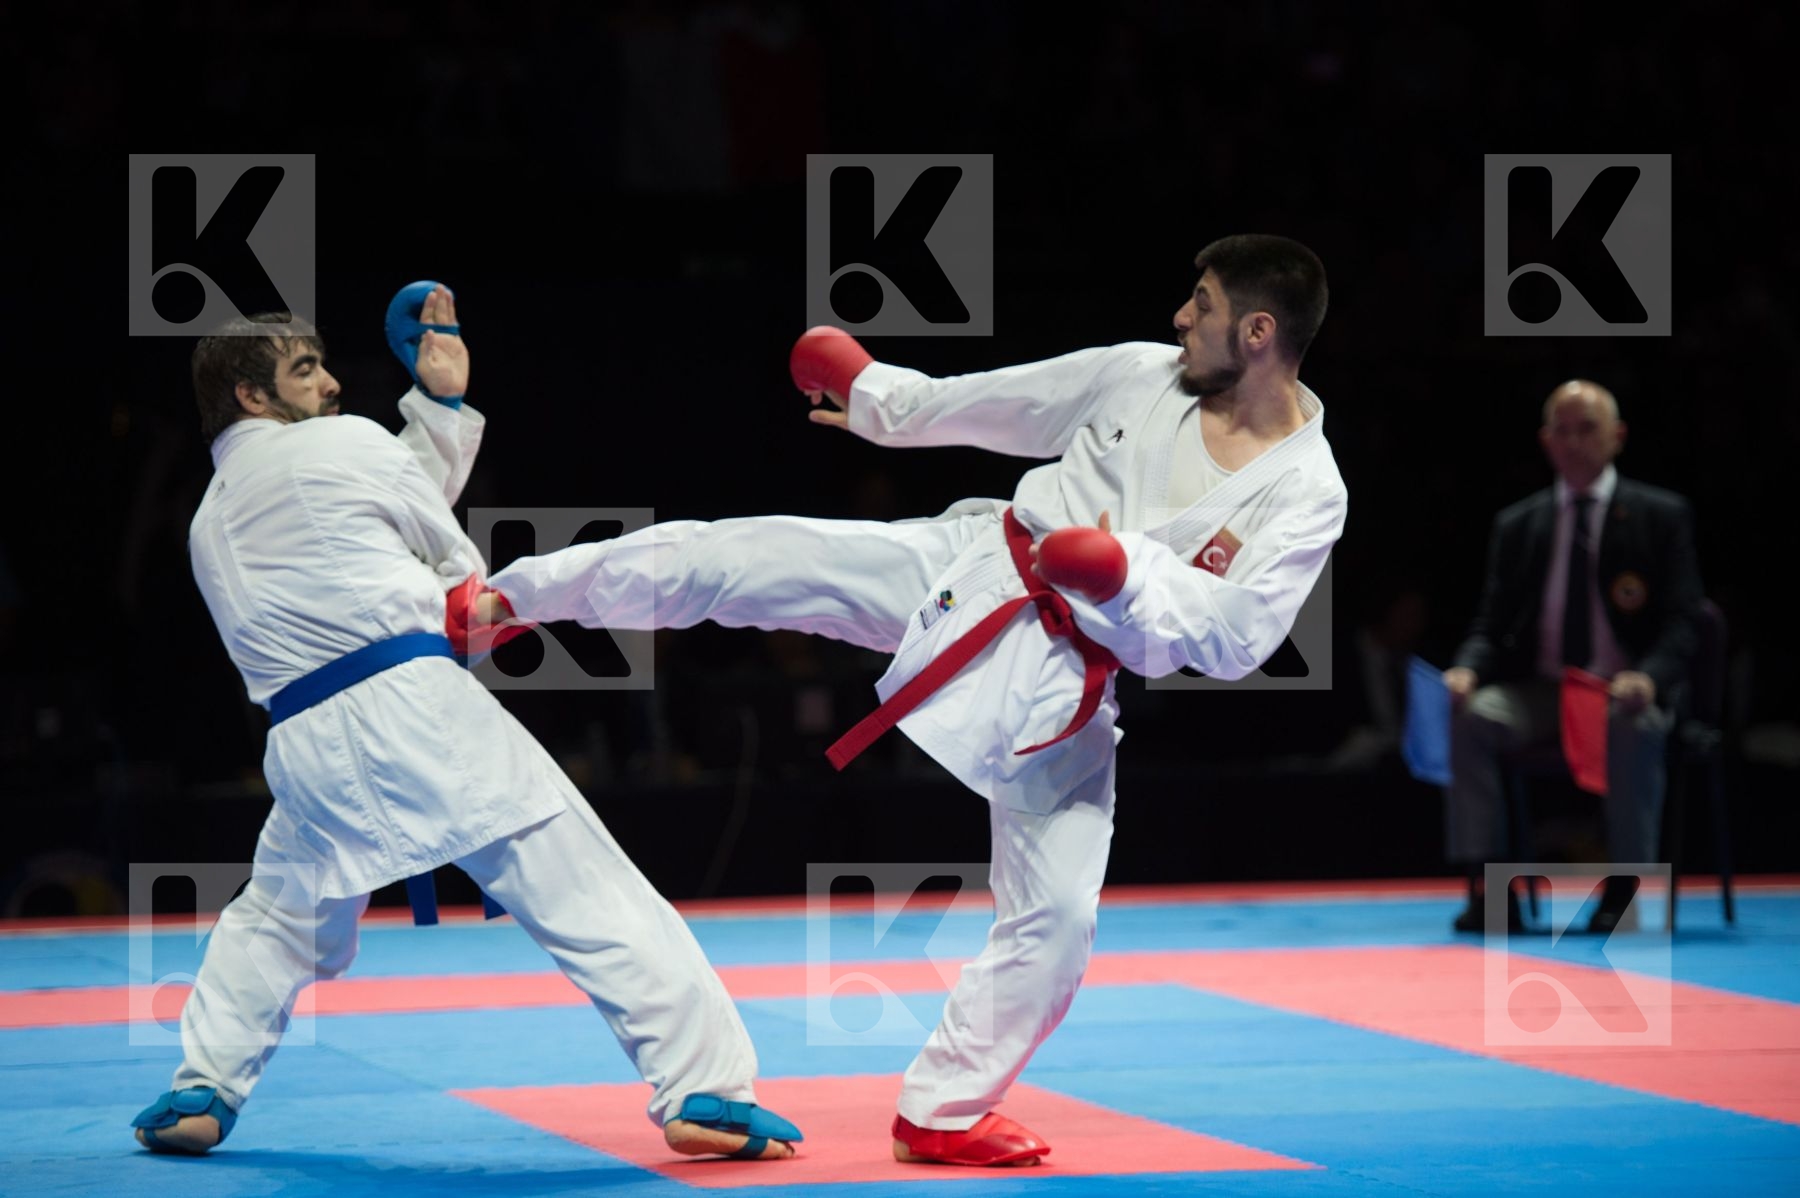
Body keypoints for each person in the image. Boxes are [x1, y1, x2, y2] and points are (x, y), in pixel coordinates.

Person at [474, 235, 1346, 1166]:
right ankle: (515, 598)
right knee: (749, 556)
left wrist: (1122, 576)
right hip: (972, 571)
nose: (1181, 316)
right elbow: (1001, 400)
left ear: (1258, 331)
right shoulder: (1143, 373)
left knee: (1056, 922)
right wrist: (876, 399)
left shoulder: (1305, 489)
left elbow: (1234, 638)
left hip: (1066, 678)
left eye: (1203, 302)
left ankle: (944, 1109)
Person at [130, 287, 802, 1163]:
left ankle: (202, 1084)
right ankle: (705, 1085)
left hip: (304, 743)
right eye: (306, 369)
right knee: (587, 888)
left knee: (278, 916)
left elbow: (368, 515)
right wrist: (434, 412)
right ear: (251, 396)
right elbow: (445, 554)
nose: (332, 384)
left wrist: (437, 407)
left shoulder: (208, 521)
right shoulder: (348, 444)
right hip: (416, 709)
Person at [1443, 380, 1702, 934]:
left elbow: (1686, 621)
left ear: (1617, 437)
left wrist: (1650, 678)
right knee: (1472, 714)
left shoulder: (1660, 516)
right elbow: (1492, 625)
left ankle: (1625, 890)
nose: (1573, 442)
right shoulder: (1520, 524)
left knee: (1630, 722)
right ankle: (1493, 889)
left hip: (1620, 691)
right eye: (1562, 431)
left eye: (1587, 429)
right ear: (1545, 441)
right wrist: (1468, 668)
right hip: (1543, 690)